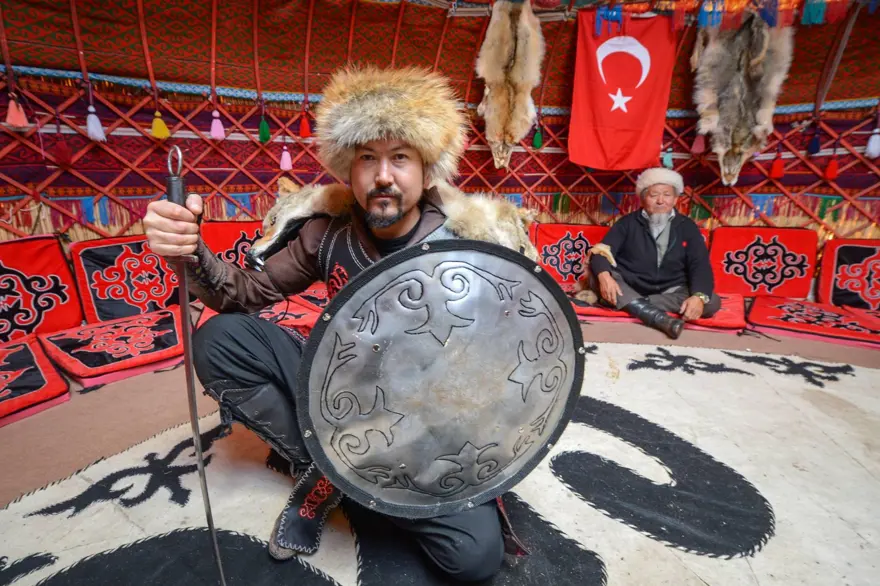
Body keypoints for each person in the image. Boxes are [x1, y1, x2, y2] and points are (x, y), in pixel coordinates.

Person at [144, 66, 532, 582]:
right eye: (367, 158)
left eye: (400, 157)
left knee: (473, 559)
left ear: (427, 170)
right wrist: (191, 252)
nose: (383, 175)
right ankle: (325, 467)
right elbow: (243, 294)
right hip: (338, 390)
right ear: (349, 168)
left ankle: (357, 484)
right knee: (220, 339)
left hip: (429, 418)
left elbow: (512, 361)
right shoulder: (326, 233)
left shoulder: (468, 246)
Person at [587, 167, 721, 339]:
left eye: (667, 195)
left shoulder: (687, 226)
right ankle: (661, 320)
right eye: (654, 195)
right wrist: (605, 278)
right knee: (599, 276)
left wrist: (698, 297)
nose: (660, 201)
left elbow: (700, 265)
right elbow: (601, 252)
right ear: (643, 198)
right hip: (630, 283)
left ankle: (631, 304)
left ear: (675, 199)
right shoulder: (628, 223)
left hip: (669, 291)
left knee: (711, 301)